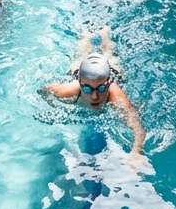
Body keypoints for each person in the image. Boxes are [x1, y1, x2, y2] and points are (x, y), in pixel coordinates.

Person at [42, 27, 146, 158]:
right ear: (80, 83)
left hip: (111, 71)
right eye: (87, 89)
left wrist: (136, 152)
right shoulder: (68, 90)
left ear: (108, 83)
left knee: (109, 54)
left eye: (101, 89)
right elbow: (44, 91)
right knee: (81, 55)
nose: (95, 96)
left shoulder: (115, 94)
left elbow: (138, 129)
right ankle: (85, 33)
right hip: (81, 72)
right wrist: (54, 107)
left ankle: (105, 32)